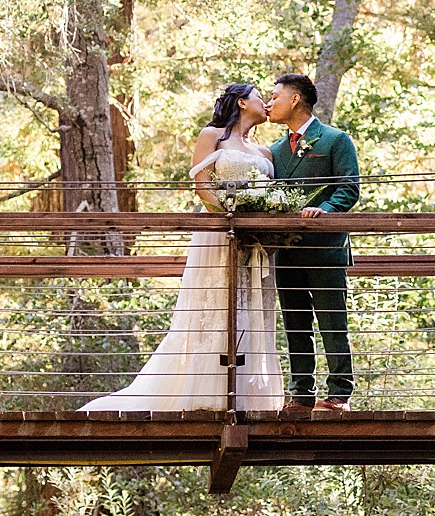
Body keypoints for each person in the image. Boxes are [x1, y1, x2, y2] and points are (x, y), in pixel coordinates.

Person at [78, 83, 286, 414]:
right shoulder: (213, 136)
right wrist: (230, 215)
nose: (267, 104)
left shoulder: (266, 153)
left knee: (251, 308)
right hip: (219, 233)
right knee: (215, 305)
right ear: (243, 102)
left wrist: (261, 221)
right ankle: (207, 393)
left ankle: (246, 396)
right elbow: (201, 184)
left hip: (255, 244)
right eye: (262, 97)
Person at [265, 72, 359, 411]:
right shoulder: (274, 150)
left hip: (325, 247)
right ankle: (302, 394)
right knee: (295, 323)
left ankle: (339, 395)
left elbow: (349, 188)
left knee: (333, 321)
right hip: (287, 250)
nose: (268, 103)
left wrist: (325, 210)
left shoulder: (335, 140)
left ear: (294, 100)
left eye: (274, 96)